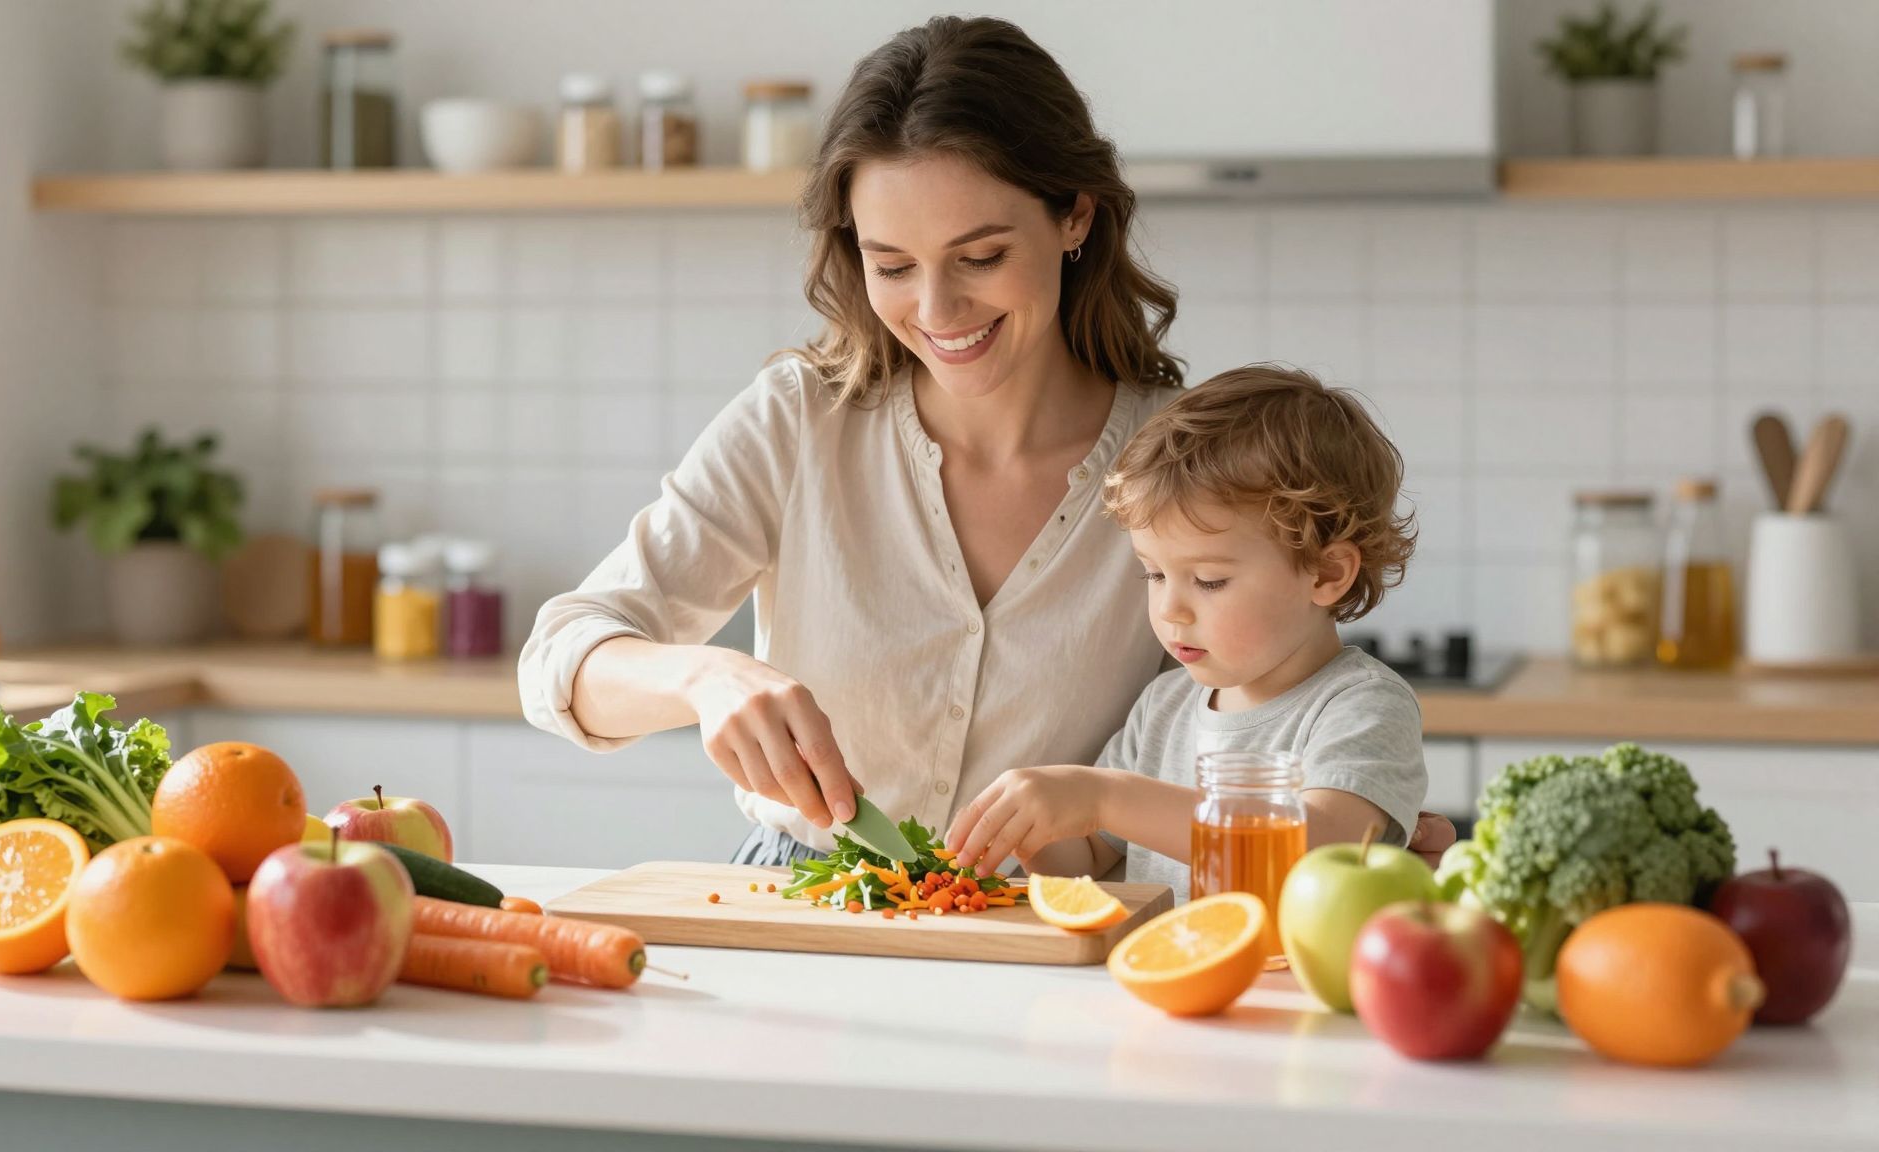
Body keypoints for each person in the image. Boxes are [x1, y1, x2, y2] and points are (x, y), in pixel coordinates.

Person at [519, 16, 1455, 869]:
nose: (936, 311)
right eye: (892, 265)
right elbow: (560, 659)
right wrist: (704, 677)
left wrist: (1349, 836)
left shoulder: (1171, 465)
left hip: (1059, 931)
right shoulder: (800, 420)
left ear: (1075, 216)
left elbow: (1253, 710)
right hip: (809, 897)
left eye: (980, 258)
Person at [945, 366, 1431, 896]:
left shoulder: (1360, 707)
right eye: (1154, 573)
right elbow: (1086, 863)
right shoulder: (1165, 707)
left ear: (1327, 573)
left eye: (1209, 580)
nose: (1170, 608)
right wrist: (1032, 829)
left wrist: (1106, 796)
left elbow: (1321, 852)